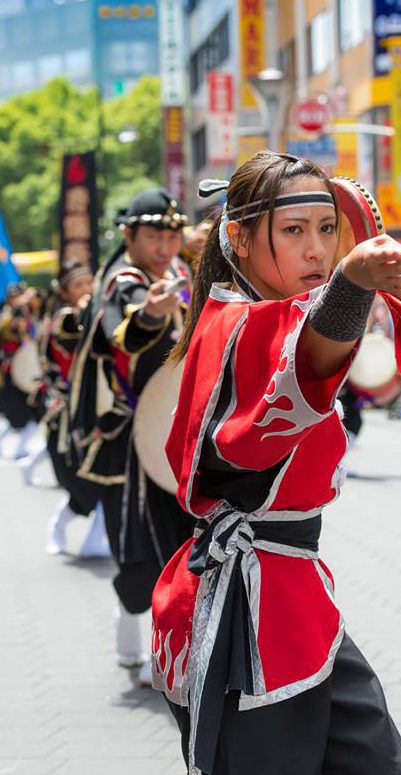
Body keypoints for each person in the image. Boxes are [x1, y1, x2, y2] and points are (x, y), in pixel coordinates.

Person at [151, 152, 401, 775]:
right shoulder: (236, 323)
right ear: (240, 239)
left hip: (290, 594)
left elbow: (310, 342)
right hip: (246, 610)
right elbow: (304, 367)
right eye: (294, 231)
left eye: (328, 230)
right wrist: (351, 287)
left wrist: (352, 290)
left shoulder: (268, 316)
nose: (317, 250)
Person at [70, 189, 195, 685]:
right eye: (153, 235)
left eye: (172, 235)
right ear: (128, 235)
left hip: (175, 431)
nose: (165, 245)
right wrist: (148, 314)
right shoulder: (125, 281)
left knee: (187, 544)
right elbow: (124, 329)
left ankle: (180, 649)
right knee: (141, 548)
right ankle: (132, 640)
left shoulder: (177, 274)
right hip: (132, 440)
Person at [32, 262, 110, 557]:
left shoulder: (92, 316)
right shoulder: (64, 320)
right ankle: (59, 526)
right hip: (65, 419)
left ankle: (95, 540)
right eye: (79, 285)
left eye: (90, 283)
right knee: (81, 486)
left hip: (92, 414)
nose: (86, 290)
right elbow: (71, 329)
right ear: (65, 292)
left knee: (103, 484)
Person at [0, 282, 42, 458]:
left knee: (28, 413)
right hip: (8, 371)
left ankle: (20, 447)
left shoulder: (25, 315)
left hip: (22, 370)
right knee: (17, 412)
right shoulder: (7, 317)